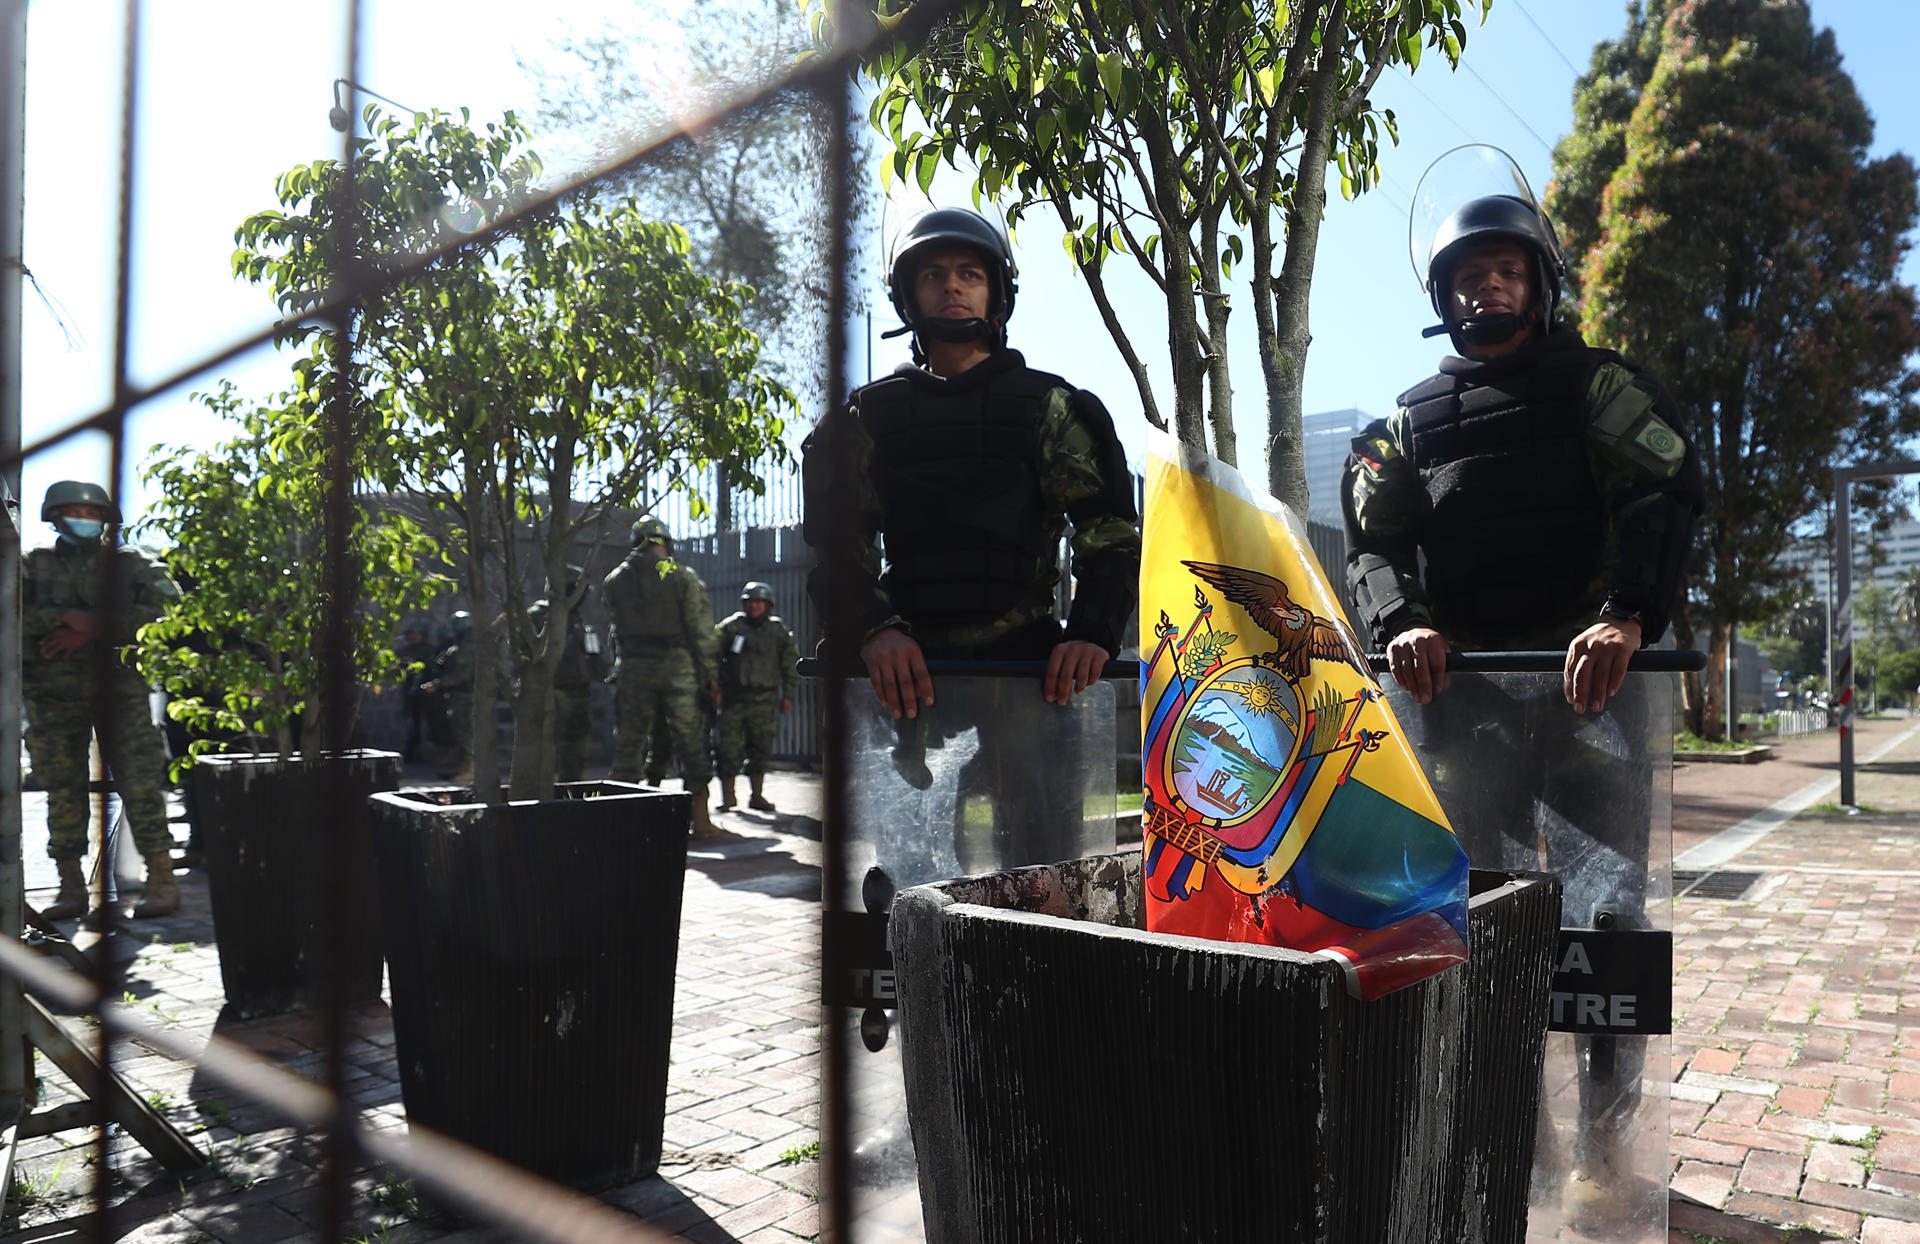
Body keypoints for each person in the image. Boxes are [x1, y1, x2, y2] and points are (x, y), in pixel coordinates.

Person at [1341, 188, 1704, 1222]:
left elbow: (1664, 496)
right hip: (1463, 709)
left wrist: (1629, 614)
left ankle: (1603, 1138)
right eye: (1465, 276)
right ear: (1442, 297)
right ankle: (1517, 1130)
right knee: (1479, 919)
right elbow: (1371, 543)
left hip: (1597, 695)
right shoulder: (1404, 422)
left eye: (1503, 270)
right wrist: (1400, 616)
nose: (1483, 287)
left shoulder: (1599, 386)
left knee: (1608, 922)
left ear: (1540, 281)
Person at [802, 206, 1139, 866]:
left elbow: (1110, 533)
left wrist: (1093, 631)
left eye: (968, 274)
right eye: (932, 274)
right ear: (908, 293)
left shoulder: (1050, 408)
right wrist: (875, 628)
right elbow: (837, 548)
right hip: (908, 679)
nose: (951, 286)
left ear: (996, 292)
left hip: (1027, 670)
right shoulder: (865, 419)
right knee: (909, 871)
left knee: (1042, 864)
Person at [24, 481, 185, 919]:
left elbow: (172, 607)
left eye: (90, 511)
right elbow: (10, 610)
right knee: (62, 789)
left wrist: (97, 625)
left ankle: (162, 878)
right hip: (52, 695)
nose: (83, 518)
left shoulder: (128, 563)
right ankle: (71, 886)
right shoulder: (33, 564)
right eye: (73, 510)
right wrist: (61, 616)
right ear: (54, 516)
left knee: (140, 783)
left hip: (121, 693)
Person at [603, 515, 721, 837]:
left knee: (629, 743)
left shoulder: (615, 579)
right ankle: (700, 818)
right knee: (691, 740)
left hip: (633, 668)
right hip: (676, 667)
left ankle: (620, 818)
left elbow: (615, 628)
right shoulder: (680, 575)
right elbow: (700, 629)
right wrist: (710, 674)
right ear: (665, 542)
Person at [713, 581, 800, 813]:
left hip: (765, 699)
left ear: (768, 605)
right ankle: (728, 797)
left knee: (760, 749)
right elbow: (711, 656)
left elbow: (790, 664)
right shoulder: (731, 627)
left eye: (759, 602)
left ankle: (757, 796)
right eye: (750, 602)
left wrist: (788, 695)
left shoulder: (778, 630)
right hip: (733, 698)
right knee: (727, 749)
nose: (754, 606)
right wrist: (715, 688)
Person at [527, 569, 607, 784]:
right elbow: (526, 655)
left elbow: (592, 656)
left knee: (577, 748)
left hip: (580, 690)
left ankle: (570, 793)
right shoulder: (539, 616)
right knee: (549, 747)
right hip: (552, 689)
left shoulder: (575, 618)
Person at [418, 610, 474, 782]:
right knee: (461, 733)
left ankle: (471, 770)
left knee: (466, 734)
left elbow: (463, 674)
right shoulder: (459, 647)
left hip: (465, 696)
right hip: (458, 696)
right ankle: (466, 768)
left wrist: (437, 685)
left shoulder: (467, 649)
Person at [394, 621, 437, 764]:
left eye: (417, 634)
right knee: (412, 724)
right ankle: (414, 753)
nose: (414, 637)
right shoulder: (404, 652)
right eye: (412, 635)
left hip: (428, 692)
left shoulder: (430, 650)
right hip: (410, 692)